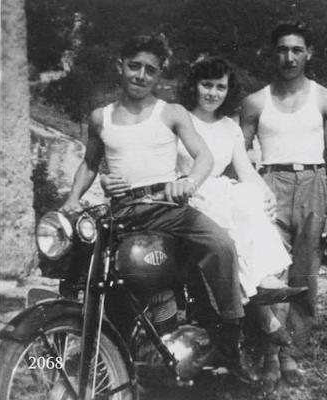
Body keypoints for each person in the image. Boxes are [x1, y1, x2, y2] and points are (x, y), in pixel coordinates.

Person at [59, 34, 256, 383]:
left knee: (221, 245)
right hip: (122, 211)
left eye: (150, 69)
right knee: (93, 271)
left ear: (158, 74)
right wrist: (74, 198)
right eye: (134, 66)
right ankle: (89, 348)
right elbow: (90, 164)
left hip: (167, 207)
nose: (141, 75)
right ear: (120, 65)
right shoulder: (101, 117)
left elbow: (205, 156)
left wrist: (188, 183)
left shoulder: (172, 112)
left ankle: (229, 339)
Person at [239, 22, 327, 389]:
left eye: (296, 50)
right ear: (274, 54)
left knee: (304, 275)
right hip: (270, 184)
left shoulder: (326, 99)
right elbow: (237, 153)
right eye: (283, 49)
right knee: (270, 276)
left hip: (313, 184)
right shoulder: (256, 102)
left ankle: (290, 354)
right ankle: (270, 353)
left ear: (308, 53)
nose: (289, 57)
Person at [176, 56, 295, 348]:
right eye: (207, 85)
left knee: (249, 197)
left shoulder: (229, 127)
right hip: (185, 193)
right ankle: (264, 316)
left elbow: (245, 171)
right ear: (194, 85)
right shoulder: (179, 119)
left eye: (220, 87)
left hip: (216, 191)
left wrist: (265, 193)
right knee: (225, 219)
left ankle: (264, 283)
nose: (212, 93)